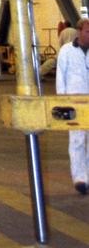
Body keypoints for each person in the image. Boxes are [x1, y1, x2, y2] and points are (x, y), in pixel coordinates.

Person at [55, 17, 89, 196]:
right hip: (73, 102)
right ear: (79, 31)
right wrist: (62, 102)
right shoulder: (66, 51)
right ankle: (80, 178)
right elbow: (60, 76)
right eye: (87, 32)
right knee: (77, 140)